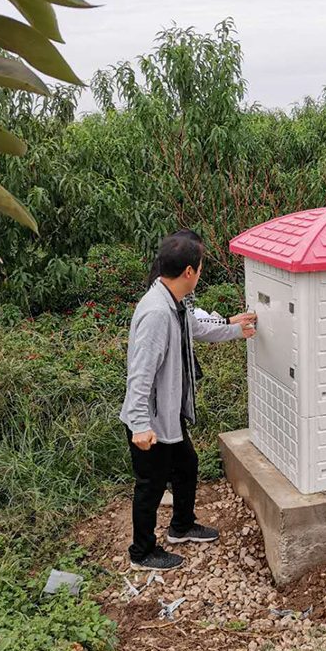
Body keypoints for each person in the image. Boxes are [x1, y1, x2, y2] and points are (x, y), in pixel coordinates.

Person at [120, 232, 257, 570]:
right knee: (150, 486)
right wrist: (139, 425)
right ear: (189, 273)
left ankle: (181, 526)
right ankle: (142, 553)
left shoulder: (173, 301)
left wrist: (233, 326)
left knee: (186, 465)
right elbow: (140, 376)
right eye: (200, 267)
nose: (201, 272)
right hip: (150, 420)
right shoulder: (157, 314)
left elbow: (196, 327)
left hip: (168, 412)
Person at [145, 229, 254, 383]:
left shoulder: (166, 289)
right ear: (188, 270)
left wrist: (231, 325)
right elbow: (141, 379)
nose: (200, 268)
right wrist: (229, 323)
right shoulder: (159, 310)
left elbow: (193, 324)